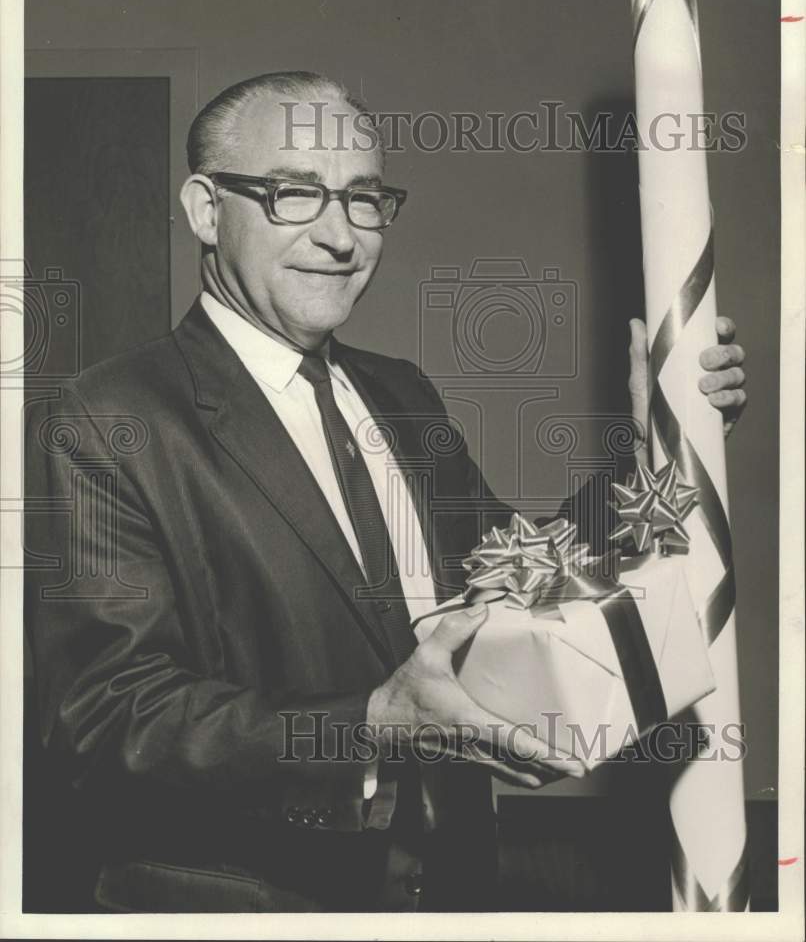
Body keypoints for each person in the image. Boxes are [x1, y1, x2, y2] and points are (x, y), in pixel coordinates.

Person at [24, 71, 748, 913]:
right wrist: (370, 720)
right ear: (205, 210)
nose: (341, 236)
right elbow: (105, 718)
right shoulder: (107, 416)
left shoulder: (401, 393)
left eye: (365, 201)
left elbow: (514, 577)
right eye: (294, 194)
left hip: (448, 892)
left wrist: (654, 444)